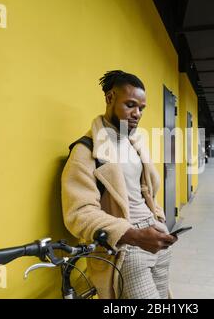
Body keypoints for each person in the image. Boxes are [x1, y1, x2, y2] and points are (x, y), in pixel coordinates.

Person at [61, 70, 177, 299]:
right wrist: (133, 235)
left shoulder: (135, 144)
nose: (137, 114)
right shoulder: (85, 152)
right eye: (130, 105)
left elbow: (147, 193)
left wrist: (159, 220)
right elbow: (79, 214)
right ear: (110, 98)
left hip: (155, 237)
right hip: (126, 245)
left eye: (141, 108)